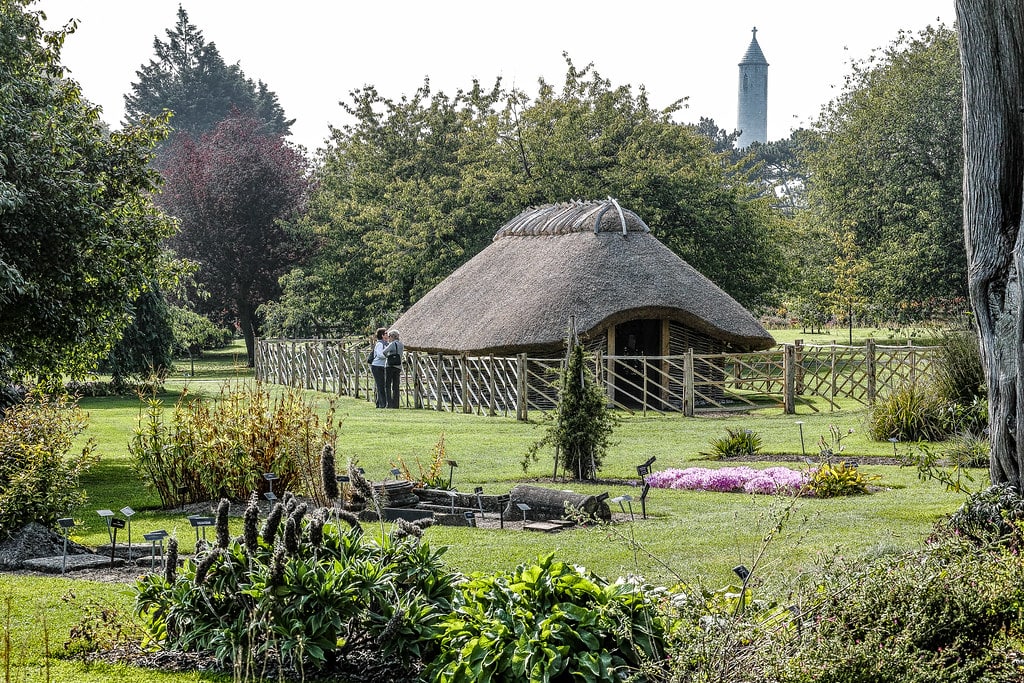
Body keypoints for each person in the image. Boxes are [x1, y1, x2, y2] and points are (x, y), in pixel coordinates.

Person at [383, 328, 404, 408]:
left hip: (390, 366)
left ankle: (389, 404)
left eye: (389, 336)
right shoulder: (401, 345)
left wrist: (388, 357)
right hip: (398, 366)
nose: (388, 338)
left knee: (387, 385)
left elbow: (384, 352)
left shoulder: (392, 344)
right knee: (396, 385)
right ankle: (396, 404)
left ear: (392, 336)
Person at [370, 327, 388, 408]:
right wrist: (388, 356)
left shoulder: (385, 344)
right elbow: (380, 355)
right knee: (380, 385)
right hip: (377, 366)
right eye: (386, 333)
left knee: (381, 385)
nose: (387, 335)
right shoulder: (380, 344)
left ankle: (379, 403)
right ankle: (382, 404)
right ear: (382, 335)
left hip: (381, 366)